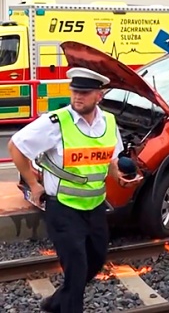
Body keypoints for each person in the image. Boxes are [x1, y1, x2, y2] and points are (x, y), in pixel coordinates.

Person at [8, 67, 143, 313]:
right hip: (63, 208)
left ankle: (55, 303)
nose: (77, 97)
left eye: (84, 92)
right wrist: (34, 183)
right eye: (74, 91)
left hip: (95, 208)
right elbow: (15, 146)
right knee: (77, 267)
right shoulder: (56, 122)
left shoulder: (109, 122)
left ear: (99, 96)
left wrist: (120, 177)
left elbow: (110, 161)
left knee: (96, 261)